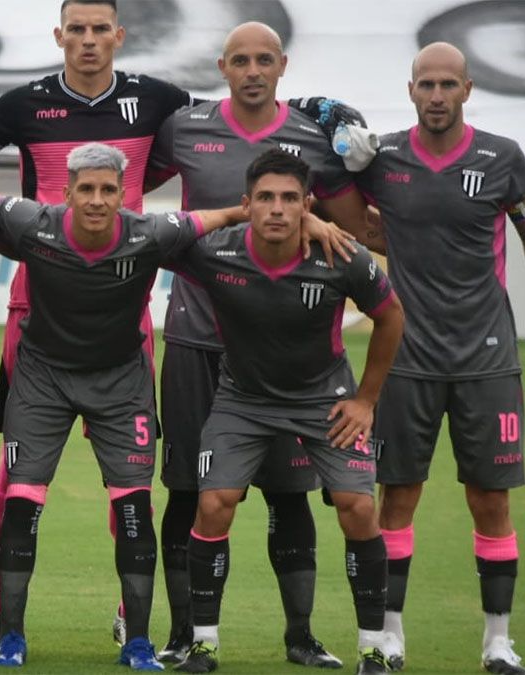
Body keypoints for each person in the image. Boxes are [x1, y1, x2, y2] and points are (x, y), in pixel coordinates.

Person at [0, 142, 351, 669]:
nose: (97, 200)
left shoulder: (150, 232)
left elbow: (227, 216)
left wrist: (307, 220)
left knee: (132, 506)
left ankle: (138, 642)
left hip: (121, 384)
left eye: (108, 189)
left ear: (124, 194)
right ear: (67, 193)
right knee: (22, 500)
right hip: (43, 381)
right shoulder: (35, 222)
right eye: (87, 189)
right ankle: (10, 637)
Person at [143, 21, 374, 666]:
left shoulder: (311, 137)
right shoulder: (184, 128)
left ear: (282, 66)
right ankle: (185, 635)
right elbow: (130, 182)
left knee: (288, 494)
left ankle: (300, 636)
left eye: (263, 60)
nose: (252, 71)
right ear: (222, 67)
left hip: (286, 351)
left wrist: (320, 218)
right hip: (197, 337)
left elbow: (355, 229)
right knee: (189, 491)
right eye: (240, 60)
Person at [0, 0, 193, 648]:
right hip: (33, 306)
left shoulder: (158, 100)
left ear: (119, 35)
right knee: (13, 477)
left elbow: (224, 134)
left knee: (128, 482)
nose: (90, 40)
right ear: (60, 35)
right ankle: (4, 613)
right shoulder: (22, 105)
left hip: (124, 304)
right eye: (78, 29)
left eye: (101, 29)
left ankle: (132, 616)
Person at [170, 149, 403, 674]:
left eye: (290, 199)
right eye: (266, 198)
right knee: (213, 504)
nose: (277, 208)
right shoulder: (215, 252)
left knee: (358, 507)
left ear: (307, 205)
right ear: (247, 203)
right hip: (243, 399)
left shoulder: (343, 256)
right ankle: (203, 644)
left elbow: (391, 317)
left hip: (324, 398)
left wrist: (366, 401)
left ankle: (373, 648)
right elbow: (149, 239)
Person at [358, 42, 525, 675]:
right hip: (406, 356)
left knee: (491, 499)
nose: (436, 96)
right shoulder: (383, 158)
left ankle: (498, 644)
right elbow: (338, 207)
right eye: (426, 84)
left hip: (486, 358)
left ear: (467, 90)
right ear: (410, 90)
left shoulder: (503, 158)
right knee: (397, 497)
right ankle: (389, 638)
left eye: (447, 85)